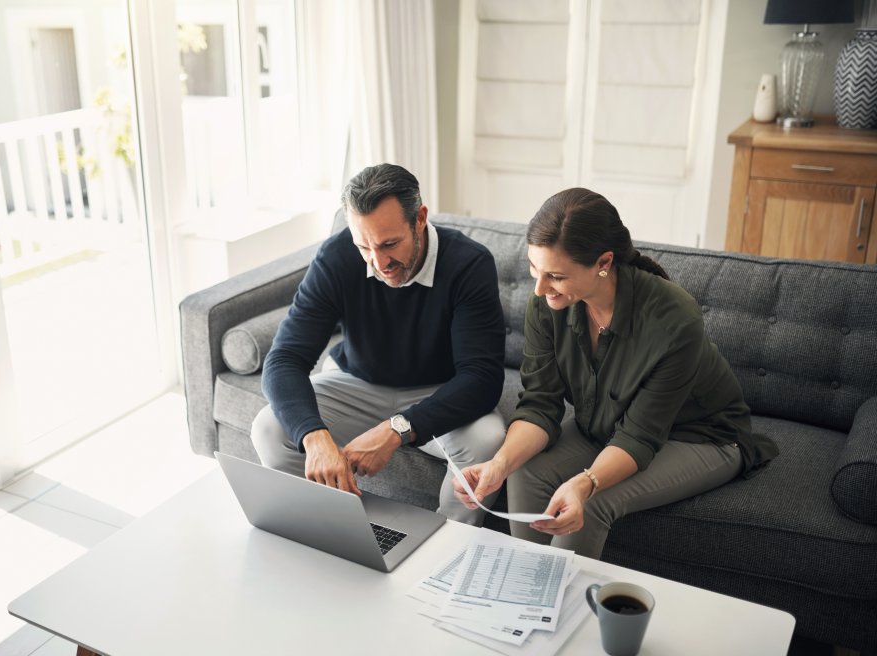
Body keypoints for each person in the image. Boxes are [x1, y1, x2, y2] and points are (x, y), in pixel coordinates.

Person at [453, 188, 778, 557]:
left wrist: (585, 483)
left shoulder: (674, 319)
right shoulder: (547, 304)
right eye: (534, 270)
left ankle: (562, 607)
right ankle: (530, 601)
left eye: (556, 276)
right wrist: (499, 464)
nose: (541, 289)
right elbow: (540, 405)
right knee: (524, 470)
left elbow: (639, 435)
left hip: (700, 434)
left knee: (590, 503)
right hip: (609, 423)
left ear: (604, 262)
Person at [251, 163, 507, 525]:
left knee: (488, 440)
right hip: (357, 382)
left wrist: (397, 428)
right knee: (269, 428)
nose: (379, 262)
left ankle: (449, 547)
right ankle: (334, 531)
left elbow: (482, 379)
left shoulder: (469, 263)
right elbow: (285, 359)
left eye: (389, 244)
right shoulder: (337, 257)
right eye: (364, 246)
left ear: (420, 218)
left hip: (441, 390)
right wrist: (314, 436)